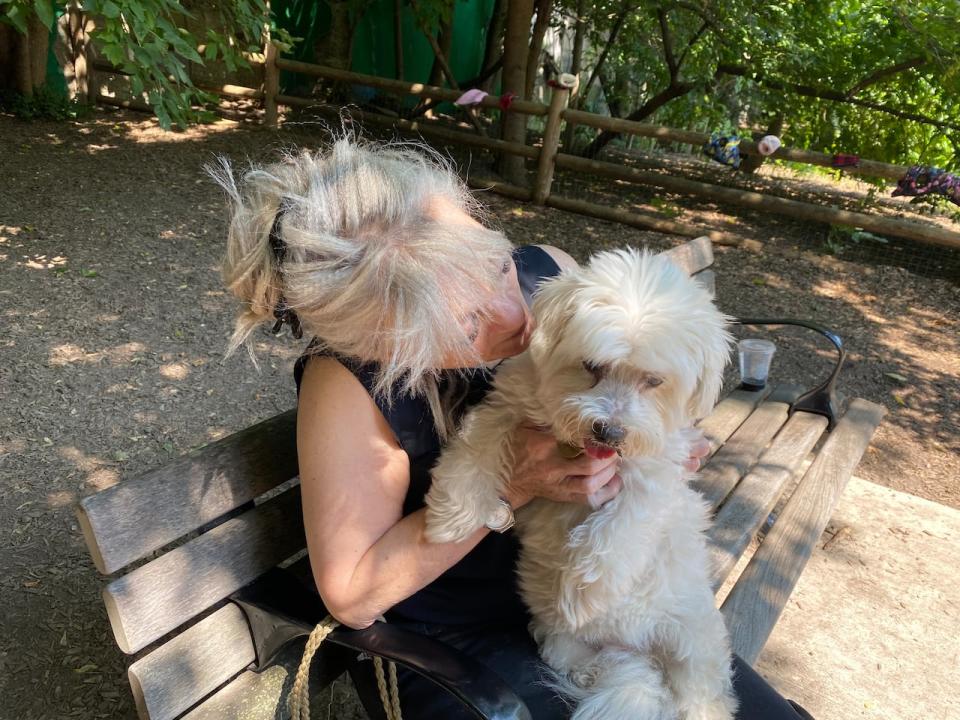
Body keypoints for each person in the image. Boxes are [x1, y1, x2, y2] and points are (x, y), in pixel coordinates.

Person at [218, 137, 814, 720]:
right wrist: (512, 487)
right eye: (468, 321)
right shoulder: (345, 385)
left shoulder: (551, 272)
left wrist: (663, 443)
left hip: (611, 595)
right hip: (459, 641)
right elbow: (351, 594)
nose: (515, 315)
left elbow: (644, 379)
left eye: (497, 266)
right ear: (392, 345)